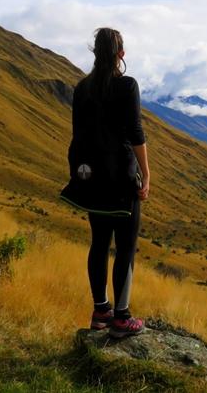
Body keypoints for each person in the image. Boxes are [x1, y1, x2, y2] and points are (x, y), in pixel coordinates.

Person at [67, 27, 151, 338]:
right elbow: (136, 134)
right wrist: (147, 174)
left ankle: (100, 311)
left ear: (94, 52)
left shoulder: (82, 88)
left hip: (91, 180)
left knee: (99, 243)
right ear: (121, 54)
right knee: (126, 247)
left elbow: (79, 135)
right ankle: (122, 317)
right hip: (121, 180)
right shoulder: (127, 85)